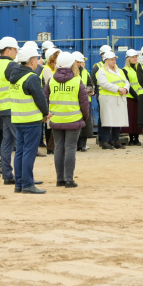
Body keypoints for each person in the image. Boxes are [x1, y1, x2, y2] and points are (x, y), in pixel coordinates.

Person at [3, 42, 47, 194]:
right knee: (29, 152)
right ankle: (27, 184)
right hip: (31, 120)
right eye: (36, 59)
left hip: (18, 119)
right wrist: (46, 113)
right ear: (32, 61)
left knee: (20, 152)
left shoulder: (14, 77)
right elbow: (40, 98)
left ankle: (19, 183)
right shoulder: (31, 77)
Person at [43, 51, 90, 188]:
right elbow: (84, 103)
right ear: (72, 65)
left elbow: (45, 99)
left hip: (56, 120)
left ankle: (60, 179)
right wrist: (85, 118)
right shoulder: (77, 81)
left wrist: (47, 115)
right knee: (70, 148)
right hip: (74, 120)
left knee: (59, 148)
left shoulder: (51, 81)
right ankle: (69, 179)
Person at [0, 37, 19, 185]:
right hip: (14, 107)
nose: (17, 52)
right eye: (15, 49)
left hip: (3, 107)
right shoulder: (11, 65)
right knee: (21, 141)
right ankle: (23, 176)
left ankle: (7, 175)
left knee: (7, 142)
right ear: (8, 50)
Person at [96, 50, 129, 149]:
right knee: (107, 120)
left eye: (114, 59)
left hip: (119, 98)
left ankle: (116, 140)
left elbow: (126, 81)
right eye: (111, 60)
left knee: (117, 120)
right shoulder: (101, 71)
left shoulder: (120, 71)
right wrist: (118, 89)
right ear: (106, 61)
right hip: (108, 99)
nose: (114, 61)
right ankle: (105, 142)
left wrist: (125, 89)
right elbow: (104, 84)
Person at [73, 52, 95, 152]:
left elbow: (91, 85)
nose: (80, 64)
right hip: (75, 101)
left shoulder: (86, 72)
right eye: (78, 62)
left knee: (85, 124)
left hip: (86, 101)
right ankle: (75, 145)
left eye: (81, 62)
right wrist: (85, 90)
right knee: (76, 123)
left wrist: (89, 90)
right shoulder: (71, 73)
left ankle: (82, 145)